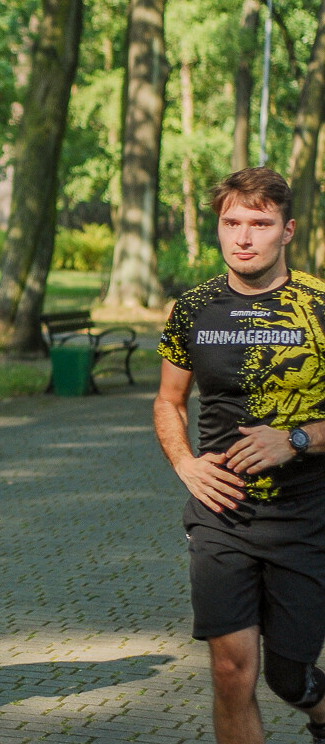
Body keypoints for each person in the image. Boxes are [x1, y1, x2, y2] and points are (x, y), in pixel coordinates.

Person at [155, 167, 325, 744]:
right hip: (222, 515)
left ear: (288, 231)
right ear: (218, 229)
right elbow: (168, 400)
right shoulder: (193, 307)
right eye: (232, 222)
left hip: (308, 515)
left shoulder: (320, 305)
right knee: (231, 673)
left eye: (260, 222)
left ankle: (319, 708)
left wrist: (298, 437)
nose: (244, 236)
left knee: (287, 676)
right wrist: (185, 464)